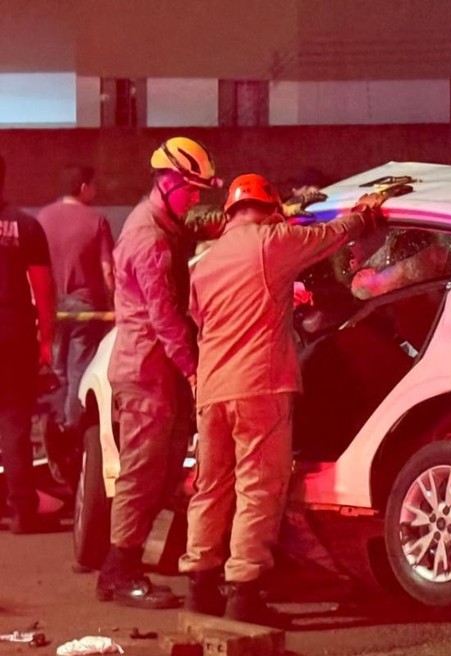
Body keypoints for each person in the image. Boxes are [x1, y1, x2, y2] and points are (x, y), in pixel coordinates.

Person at [179, 174, 385, 624]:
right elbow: (326, 237)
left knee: (211, 488)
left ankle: (200, 585)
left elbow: (199, 320)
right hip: (259, 385)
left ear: (230, 212)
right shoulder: (271, 242)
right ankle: (244, 592)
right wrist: (364, 216)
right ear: (270, 208)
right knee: (258, 489)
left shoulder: (207, 263)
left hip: (212, 390)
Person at [96, 137, 221, 609]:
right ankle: (119, 572)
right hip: (147, 372)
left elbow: (193, 229)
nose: (195, 199)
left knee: (162, 470)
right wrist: (193, 373)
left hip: (153, 371)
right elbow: (164, 318)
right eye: (191, 189)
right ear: (167, 181)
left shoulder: (161, 222)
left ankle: (131, 564)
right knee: (142, 475)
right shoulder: (149, 240)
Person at [0, 153, 57, 534]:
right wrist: (47, 341)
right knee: (15, 424)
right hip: (14, 335)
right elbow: (43, 289)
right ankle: (23, 509)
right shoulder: (25, 226)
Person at [36, 165, 115, 433]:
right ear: (83, 187)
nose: (96, 190)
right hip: (87, 306)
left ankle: (57, 425)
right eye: (93, 185)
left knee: (56, 367)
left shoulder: (42, 219)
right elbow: (107, 270)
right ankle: (75, 428)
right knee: (79, 368)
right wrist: (114, 304)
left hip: (52, 305)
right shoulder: (96, 220)